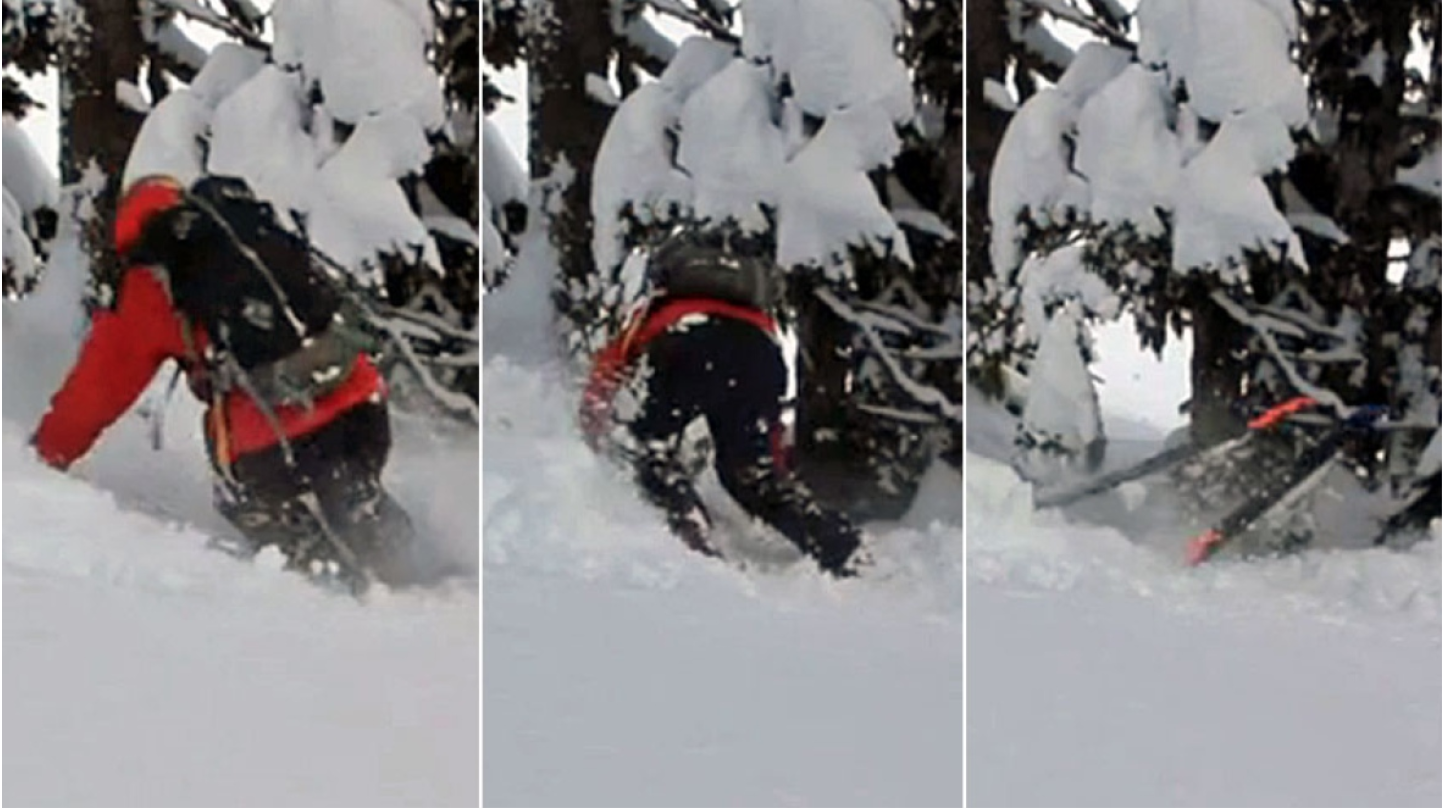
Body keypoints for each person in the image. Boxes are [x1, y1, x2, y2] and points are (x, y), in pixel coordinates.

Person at [31, 174, 418, 591]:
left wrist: (40, 458)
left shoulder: (150, 282)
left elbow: (95, 393)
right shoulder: (254, 234)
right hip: (360, 400)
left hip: (275, 440)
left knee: (245, 498)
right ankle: (419, 575)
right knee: (350, 485)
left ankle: (329, 586)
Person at [580, 228, 864, 577]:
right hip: (761, 355)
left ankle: (689, 526)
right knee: (750, 477)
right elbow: (773, 412)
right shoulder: (756, 314)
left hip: (689, 343)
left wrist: (590, 427)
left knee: (647, 449)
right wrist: (774, 464)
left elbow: (613, 362)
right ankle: (840, 546)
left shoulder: (661, 304)